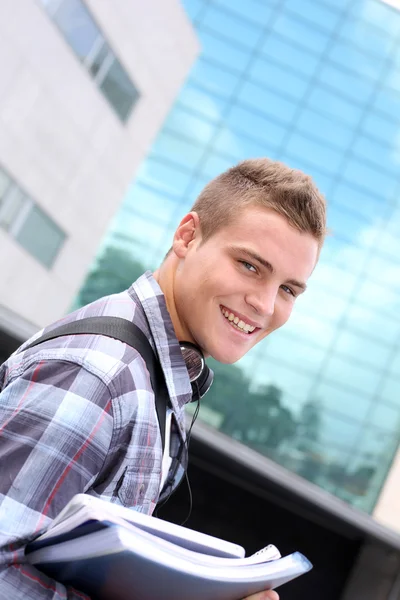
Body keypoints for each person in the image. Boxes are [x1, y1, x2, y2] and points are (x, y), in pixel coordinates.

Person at [0, 158, 326, 599]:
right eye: (250, 266)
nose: (265, 305)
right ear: (188, 236)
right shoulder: (100, 377)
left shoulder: (150, 373)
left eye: (288, 289)